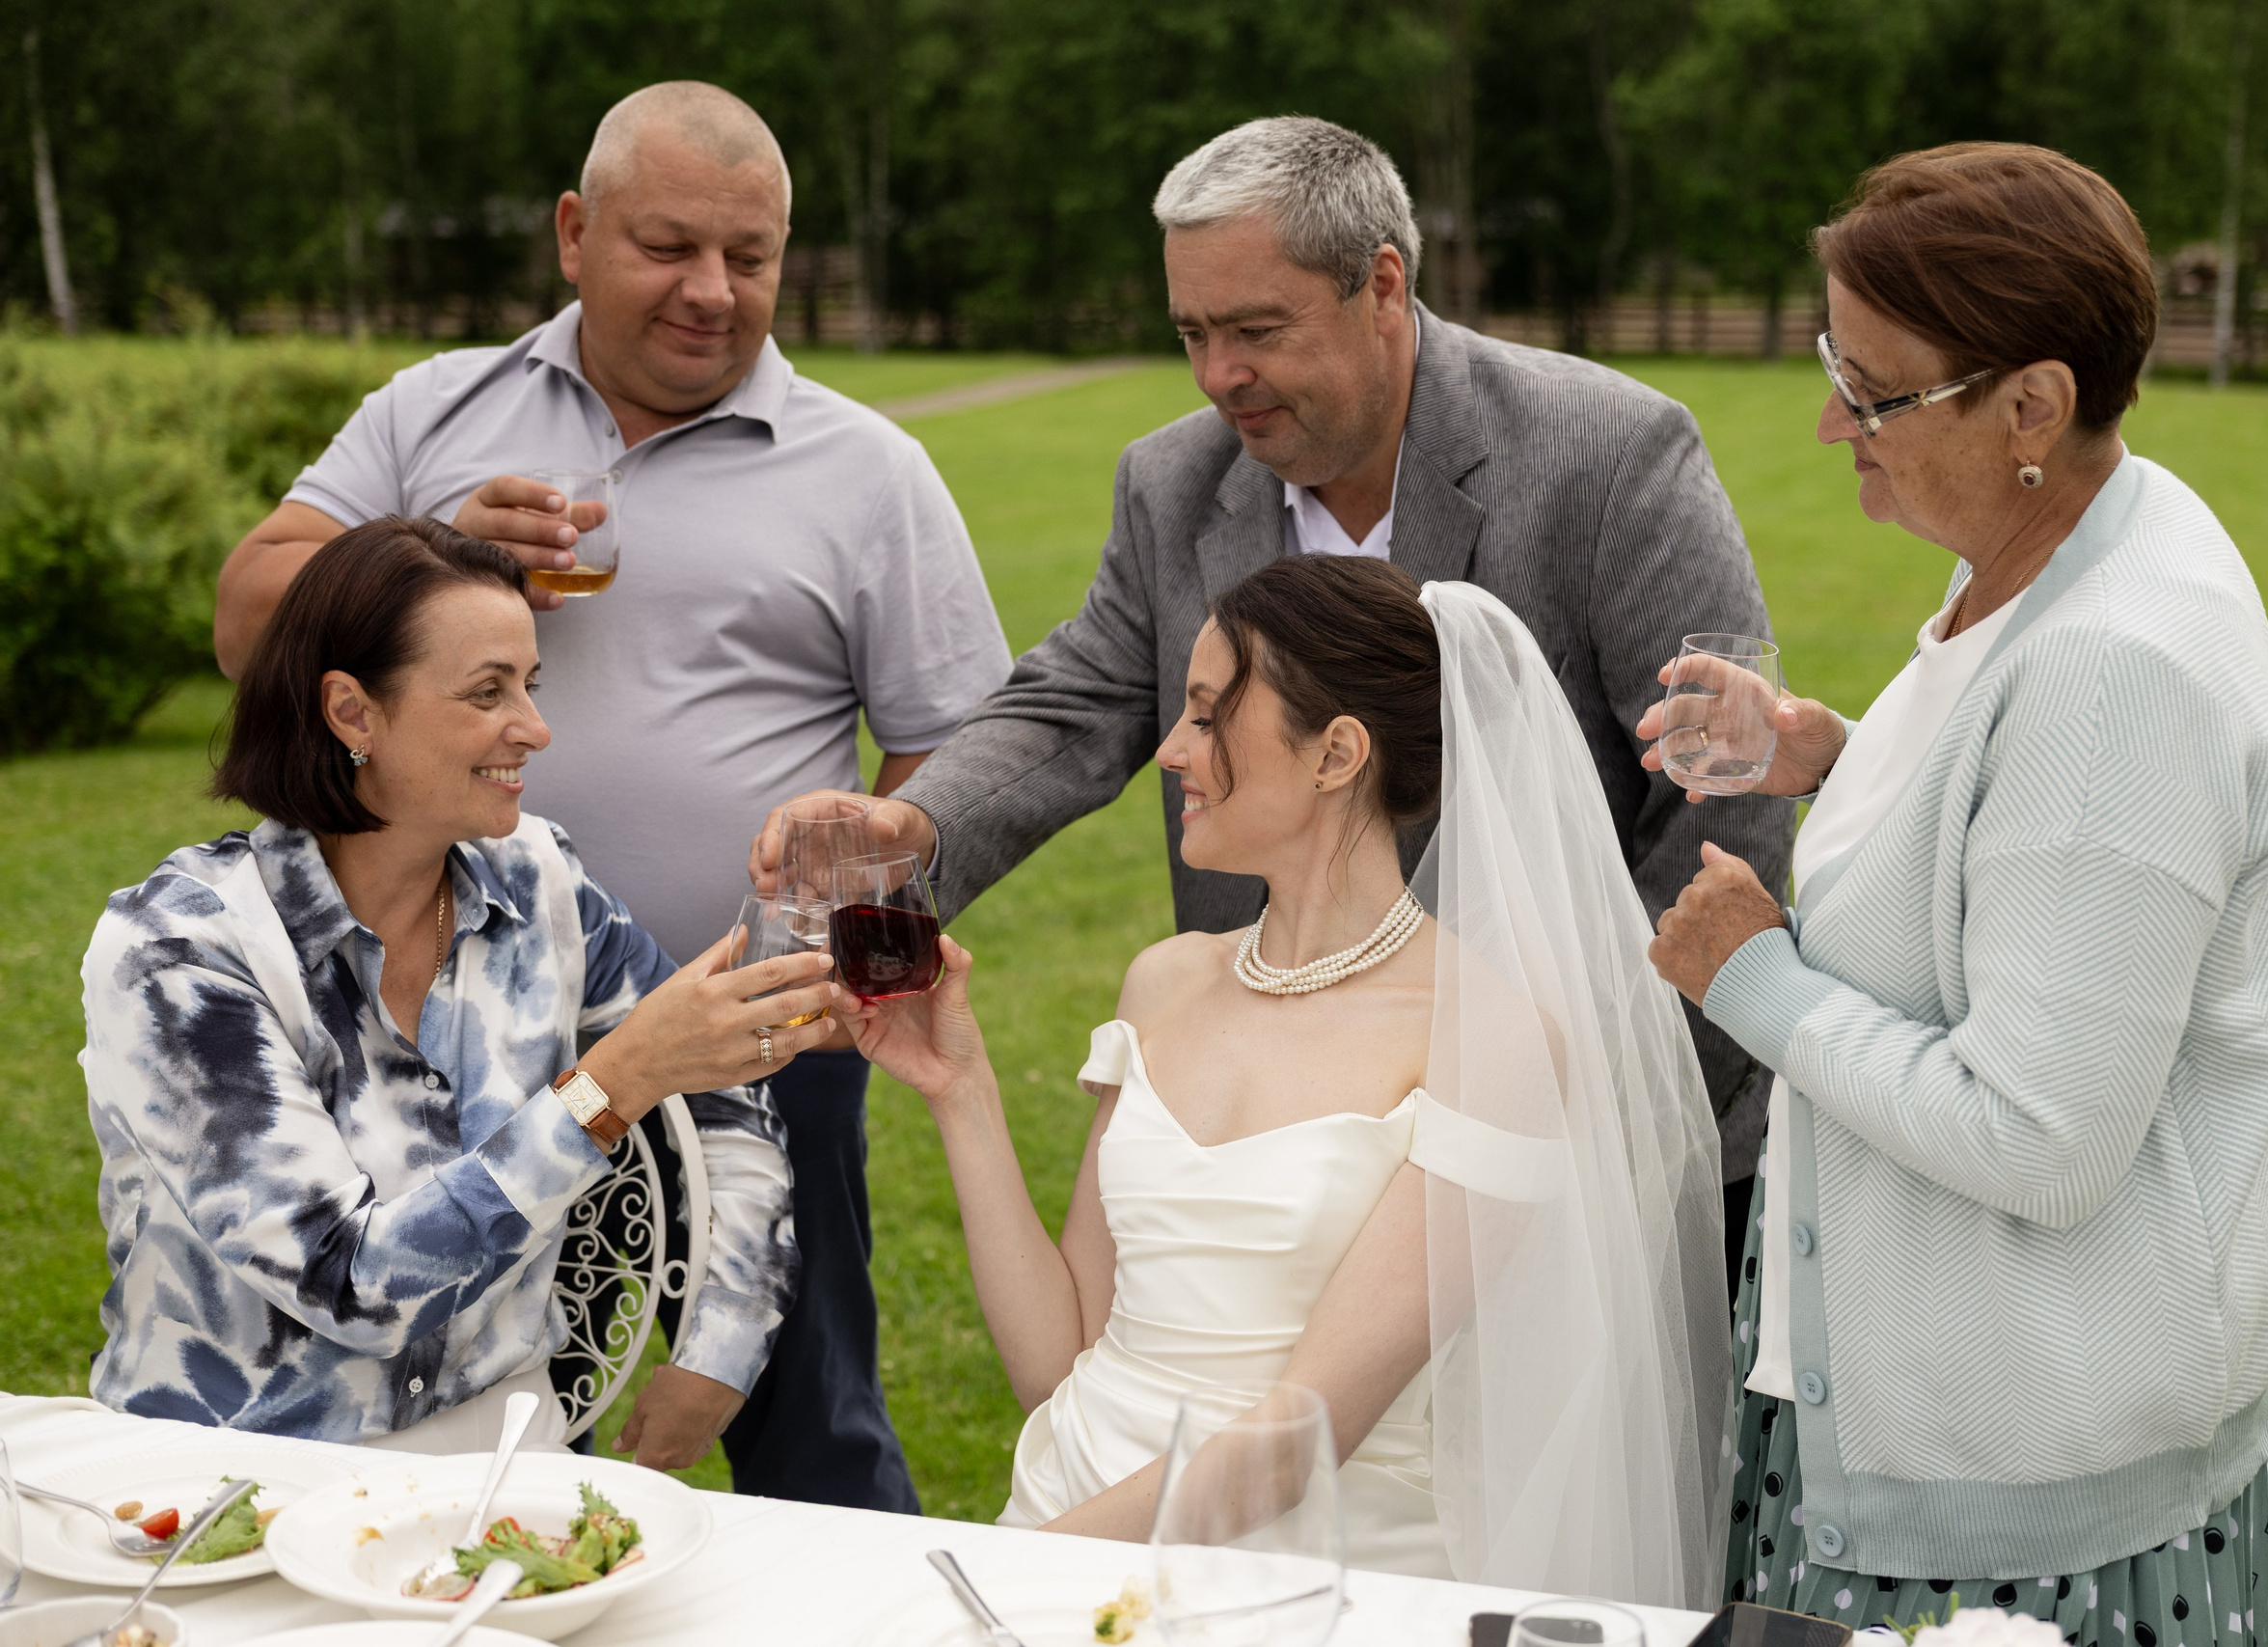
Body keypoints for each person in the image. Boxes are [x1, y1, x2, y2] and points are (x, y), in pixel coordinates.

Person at [751, 116, 1791, 1273]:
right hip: (1282, 1153)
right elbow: (1077, 699)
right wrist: (918, 826)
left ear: (1381, 287)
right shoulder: (1170, 479)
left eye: (1255, 330)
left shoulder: (1612, 454)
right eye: (1191, 332)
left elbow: (1720, 806)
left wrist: (1602, 1118)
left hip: (1588, 1148)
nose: (1217, 377)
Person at [207, 83, 1013, 1507]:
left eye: (749, 256)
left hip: (751, 1038)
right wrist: (427, 549)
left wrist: (844, 917)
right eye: (668, 246)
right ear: (574, 234)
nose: (713, 290)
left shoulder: (870, 470)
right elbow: (245, 618)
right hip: (432, 1024)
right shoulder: (432, 406)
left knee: (800, 1415)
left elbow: (961, 740)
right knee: (441, 1399)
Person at [1640, 145, 2268, 1644]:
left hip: (2016, 1485)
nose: (1834, 417)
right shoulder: (2074, 535)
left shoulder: (2114, 665)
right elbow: (2017, 827)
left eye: (1876, 387)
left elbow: (2042, 1134)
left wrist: (1750, 978)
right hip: (1983, 1396)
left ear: (2031, 403)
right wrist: (1823, 750)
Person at [826, 556, 1733, 1606]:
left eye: (1210, 719)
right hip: (1070, 1515)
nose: (1171, 750)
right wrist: (961, 1091)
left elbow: (1293, 1446)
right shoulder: (1164, 982)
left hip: (1298, 1582)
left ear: (1337, 752)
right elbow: (1059, 1360)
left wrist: (1003, 1579)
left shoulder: (1490, 1041)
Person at [84, 517, 833, 1461]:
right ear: (353, 713)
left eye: (529, 684)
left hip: (508, 1473)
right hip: (237, 1486)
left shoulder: (538, 878)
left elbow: (723, 1096)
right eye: (488, 693)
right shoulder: (183, 950)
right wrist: (612, 1086)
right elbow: (349, 1283)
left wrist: (722, 1347)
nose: (534, 727)